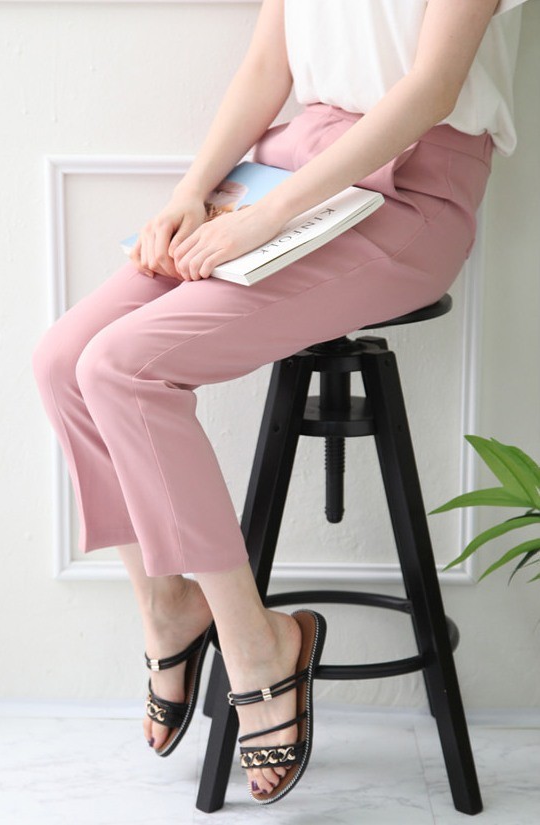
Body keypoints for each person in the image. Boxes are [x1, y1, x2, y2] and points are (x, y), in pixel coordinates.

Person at [31, 0, 530, 806]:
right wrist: (192, 192)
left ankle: (258, 643)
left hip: (410, 188)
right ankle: (168, 604)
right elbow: (270, 66)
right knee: (63, 360)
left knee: (124, 367)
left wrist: (266, 219)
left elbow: (432, 88)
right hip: (287, 165)